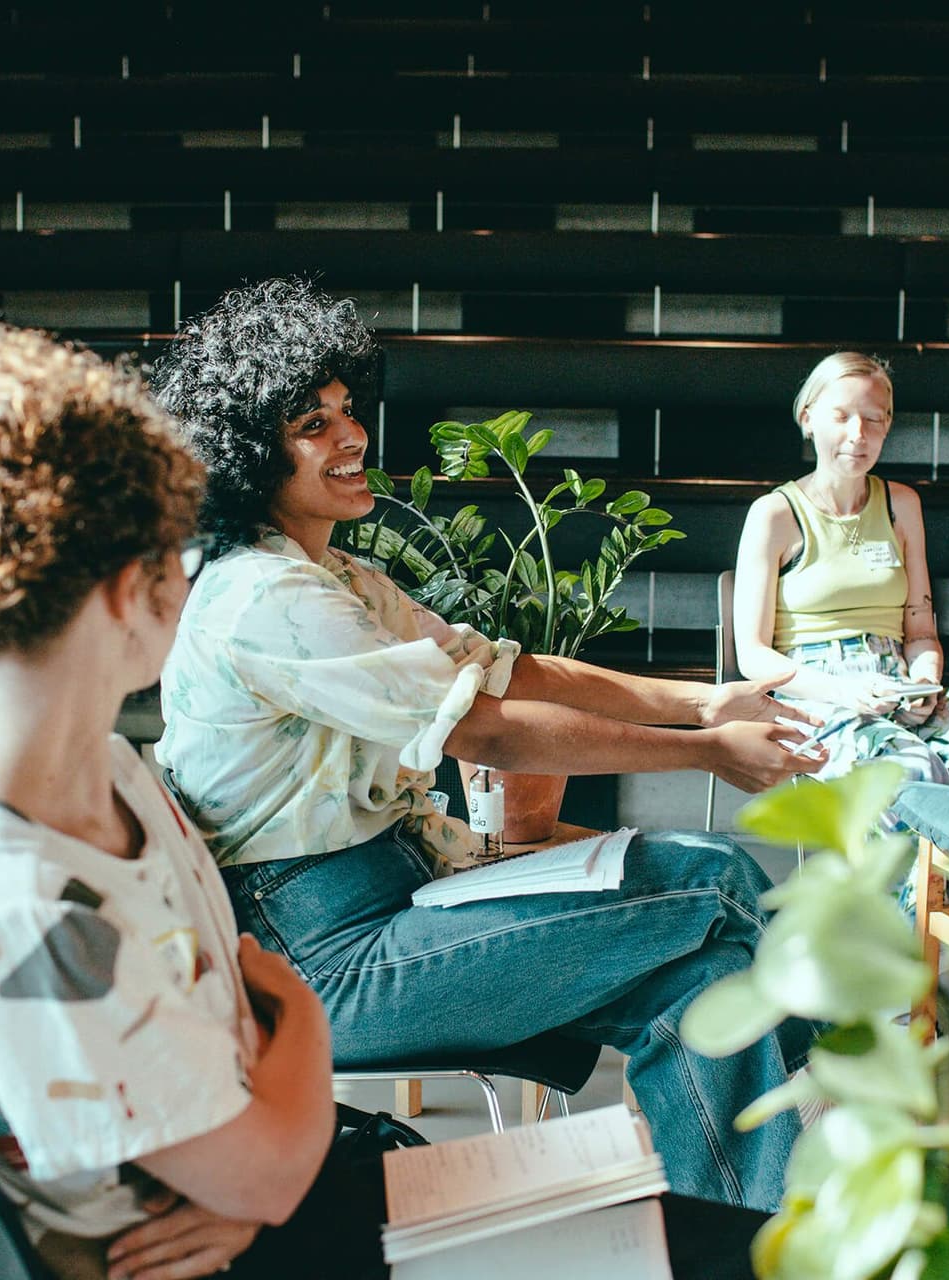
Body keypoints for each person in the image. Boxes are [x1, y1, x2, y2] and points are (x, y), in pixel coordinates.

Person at [149, 278, 821, 1212]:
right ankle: (843, 1154)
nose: (352, 439)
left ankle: (749, 1239)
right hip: (319, 957)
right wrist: (712, 756)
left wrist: (705, 705)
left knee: (709, 983)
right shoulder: (267, 598)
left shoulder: (327, 572)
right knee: (713, 880)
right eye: (314, 424)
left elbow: (507, 672)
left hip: (388, 896)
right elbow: (489, 729)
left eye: (348, 410)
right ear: (245, 453)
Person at [0, 316, 384, 1280]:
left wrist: (261, 1183)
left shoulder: (113, 770)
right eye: (177, 562)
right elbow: (266, 1167)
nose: (190, 590)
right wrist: (306, 1027)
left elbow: (246, 1130)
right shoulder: (21, 913)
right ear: (121, 588)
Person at [732, 351, 949, 795]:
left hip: (897, 684)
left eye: (873, 419)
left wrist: (925, 682)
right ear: (808, 417)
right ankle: (922, 868)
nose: (858, 434)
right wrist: (842, 691)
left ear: (888, 426)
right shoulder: (774, 514)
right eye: (842, 416)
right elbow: (753, 657)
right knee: (910, 773)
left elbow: (921, 631)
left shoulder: (902, 505)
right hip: (815, 695)